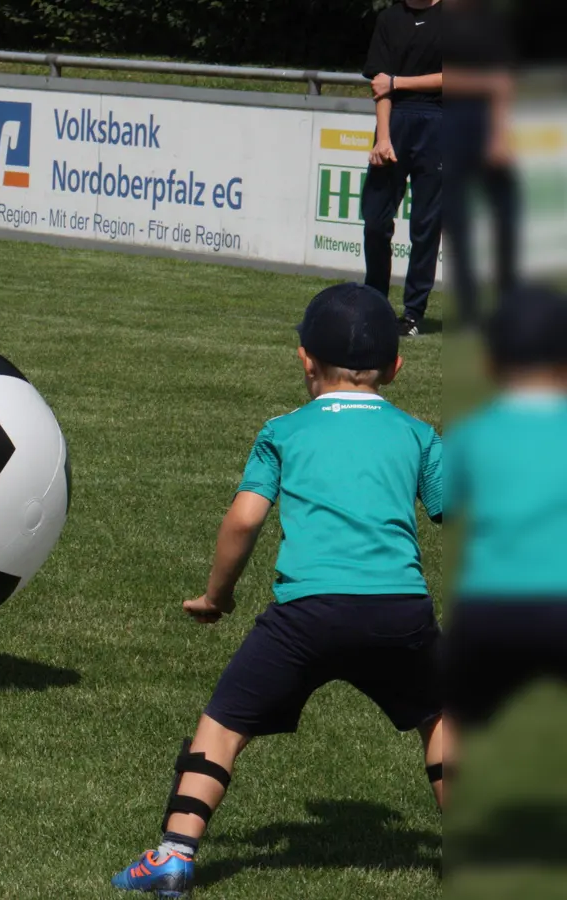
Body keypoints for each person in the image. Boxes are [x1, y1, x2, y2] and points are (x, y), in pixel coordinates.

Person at [110, 283, 446, 896]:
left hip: (306, 617)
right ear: (396, 368)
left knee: (224, 724)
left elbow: (244, 519)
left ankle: (175, 854)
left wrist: (217, 597)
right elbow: (456, 508)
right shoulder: (417, 434)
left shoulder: (283, 431)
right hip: (399, 611)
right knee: (442, 714)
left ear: (304, 360)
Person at [443, 284, 567, 770]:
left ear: (490, 364)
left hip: (488, 607)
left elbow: (445, 502)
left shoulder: (474, 432)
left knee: (450, 716)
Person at [362, 0, 444, 337]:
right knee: (375, 220)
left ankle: (413, 313)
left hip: (440, 122)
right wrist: (383, 138)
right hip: (394, 123)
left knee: (426, 223)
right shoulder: (389, 19)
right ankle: (375, 302)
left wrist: (398, 82)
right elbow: (380, 85)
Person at [442, 0, 518, 331]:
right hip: (450, 123)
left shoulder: (491, 21)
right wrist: (483, 84)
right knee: (457, 224)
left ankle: (509, 302)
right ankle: (470, 310)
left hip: (487, 123)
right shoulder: (437, 21)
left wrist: (499, 136)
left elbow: (504, 82)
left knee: (508, 214)